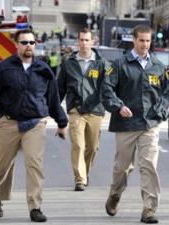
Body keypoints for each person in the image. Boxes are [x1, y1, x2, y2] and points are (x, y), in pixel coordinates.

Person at [0, 29, 68, 223]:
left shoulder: (43, 70)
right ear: (16, 45)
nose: (29, 45)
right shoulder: (4, 68)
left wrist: (62, 122)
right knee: (3, 165)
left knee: (34, 164)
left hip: (35, 123)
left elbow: (53, 99)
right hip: (9, 122)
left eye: (32, 42)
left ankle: (35, 206)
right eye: (25, 42)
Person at [101, 24, 169, 224]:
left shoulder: (158, 66)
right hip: (126, 124)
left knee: (149, 165)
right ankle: (115, 194)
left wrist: (161, 111)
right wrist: (118, 106)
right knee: (122, 167)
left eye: (148, 41)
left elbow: (167, 92)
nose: (144, 44)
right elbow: (106, 89)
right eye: (141, 40)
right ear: (134, 40)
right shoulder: (119, 64)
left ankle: (149, 209)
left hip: (150, 123)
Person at [57, 28, 109, 191]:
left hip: (95, 110)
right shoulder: (68, 63)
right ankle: (79, 179)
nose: (84, 43)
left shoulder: (102, 63)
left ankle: (85, 172)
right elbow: (60, 89)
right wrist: (55, 113)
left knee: (92, 147)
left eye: (87, 40)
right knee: (78, 145)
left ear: (93, 42)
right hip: (76, 110)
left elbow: (109, 88)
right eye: (81, 40)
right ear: (78, 41)